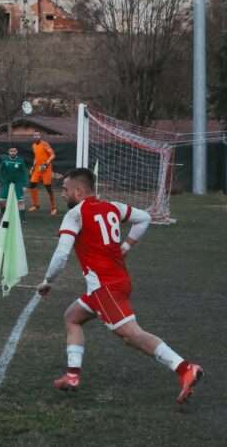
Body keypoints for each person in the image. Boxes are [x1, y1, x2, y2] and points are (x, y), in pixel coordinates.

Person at [37, 168, 203, 403]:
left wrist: (47, 282)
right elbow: (144, 218)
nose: (63, 194)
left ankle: (185, 368)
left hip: (105, 288)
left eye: (65, 190)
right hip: (115, 283)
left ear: (79, 191)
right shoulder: (112, 206)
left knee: (131, 335)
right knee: (72, 317)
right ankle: (72, 375)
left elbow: (61, 254)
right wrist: (126, 247)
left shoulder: (76, 214)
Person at [29, 131, 58, 214]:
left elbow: (53, 155)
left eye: (37, 135)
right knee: (32, 185)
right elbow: (36, 157)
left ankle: (53, 207)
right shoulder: (33, 145)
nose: (36, 136)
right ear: (33, 137)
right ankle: (36, 205)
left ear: (40, 136)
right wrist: (33, 167)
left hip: (46, 169)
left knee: (48, 188)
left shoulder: (45, 144)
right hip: (37, 168)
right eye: (34, 135)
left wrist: (46, 163)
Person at [0, 145, 28, 220]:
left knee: (20, 201)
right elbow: (0, 171)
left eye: (14, 151)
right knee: (1, 200)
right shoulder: (5, 160)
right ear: (8, 152)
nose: (13, 153)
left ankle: (22, 218)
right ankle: (3, 215)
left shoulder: (20, 160)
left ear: (17, 152)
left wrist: (25, 185)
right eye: (11, 151)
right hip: (6, 181)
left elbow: (25, 172)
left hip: (18, 181)